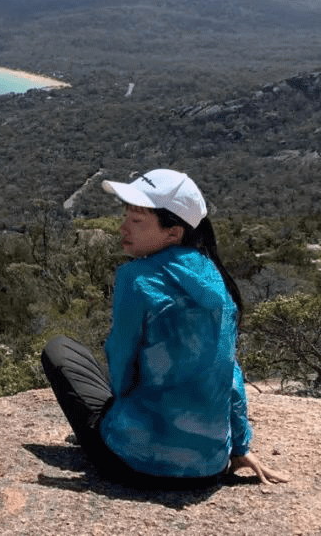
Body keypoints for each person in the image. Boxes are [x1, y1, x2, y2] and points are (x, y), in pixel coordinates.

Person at [41, 169, 288, 487]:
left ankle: (117, 430)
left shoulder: (136, 277)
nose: (123, 228)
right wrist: (239, 447)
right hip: (208, 468)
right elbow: (231, 375)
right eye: (127, 216)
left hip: (134, 463)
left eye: (137, 220)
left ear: (173, 232)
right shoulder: (216, 281)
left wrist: (122, 408)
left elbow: (121, 358)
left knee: (59, 349)